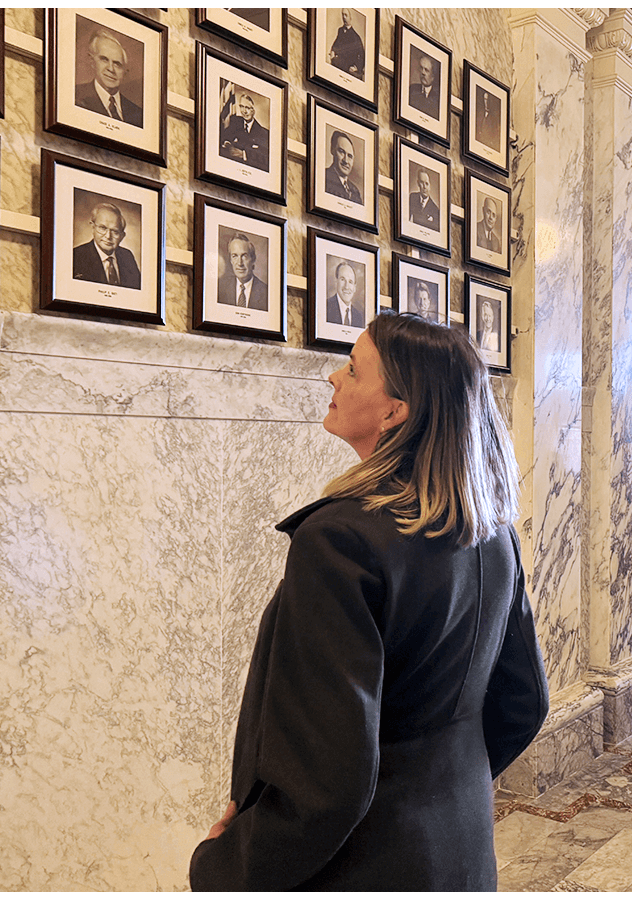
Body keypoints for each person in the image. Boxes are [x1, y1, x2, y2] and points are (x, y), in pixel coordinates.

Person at [189, 311, 549, 891]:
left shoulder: (339, 542)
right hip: (460, 850)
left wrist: (225, 866)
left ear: (394, 410)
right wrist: (441, 787)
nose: (334, 377)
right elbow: (524, 702)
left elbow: (327, 783)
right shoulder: (493, 531)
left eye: (354, 369)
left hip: (363, 865)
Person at [75, 30, 143, 128]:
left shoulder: (137, 114)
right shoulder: (75, 95)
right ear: (92, 61)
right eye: (104, 60)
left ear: (124, 71)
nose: (111, 69)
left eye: (117, 64)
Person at [72, 202, 141, 289]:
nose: (108, 236)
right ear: (93, 227)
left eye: (115, 231)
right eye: (102, 228)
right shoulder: (76, 256)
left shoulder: (127, 256)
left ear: (122, 236)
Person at [220, 92, 270, 171]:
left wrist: (243, 154)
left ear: (253, 110)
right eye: (242, 106)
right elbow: (223, 137)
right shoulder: (235, 122)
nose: (244, 111)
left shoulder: (264, 133)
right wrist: (228, 144)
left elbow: (266, 158)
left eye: (248, 108)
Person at [218, 233, 268, 309]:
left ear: (253, 259)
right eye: (235, 256)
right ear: (231, 260)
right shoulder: (220, 288)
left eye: (244, 256)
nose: (240, 263)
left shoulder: (266, 292)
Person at [324, 130, 362, 205]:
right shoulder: (323, 178)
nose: (346, 160)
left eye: (350, 156)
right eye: (341, 152)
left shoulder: (355, 191)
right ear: (332, 150)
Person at [326, 261, 364, 327]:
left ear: (354, 287)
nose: (346, 287)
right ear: (336, 282)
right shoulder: (326, 307)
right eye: (342, 279)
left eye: (350, 282)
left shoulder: (359, 316)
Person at [329, 8, 365, 79]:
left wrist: (357, 67)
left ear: (350, 17)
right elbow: (336, 44)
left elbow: (362, 55)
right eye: (342, 15)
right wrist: (333, 51)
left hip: (348, 66)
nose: (344, 17)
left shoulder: (356, 37)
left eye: (346, 15)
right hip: (339, 62)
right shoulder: (340, 30)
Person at [408, 53, 439, 118]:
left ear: (433, 75)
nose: (423, 73)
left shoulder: (438, 97)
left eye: (426, 70)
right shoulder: (412, 89)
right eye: (421, 68)